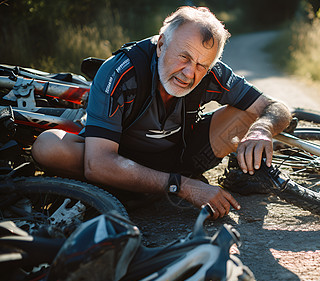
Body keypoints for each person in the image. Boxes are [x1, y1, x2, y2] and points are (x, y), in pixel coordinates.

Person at [32, 6, 291, 219]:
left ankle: (141, 191)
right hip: (121, 160)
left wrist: (263, 128)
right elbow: (97, 162)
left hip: (180, 157)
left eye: (202, 64)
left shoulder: (212, 73)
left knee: (248, 114)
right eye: (184, 57)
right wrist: (184, 187)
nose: (190, 73)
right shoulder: (121, 71)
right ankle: (141, 189)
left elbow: (276, 107)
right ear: (161, 45)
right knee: (48, 146)